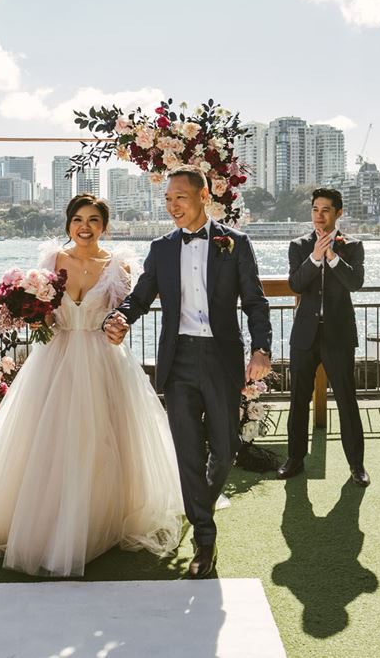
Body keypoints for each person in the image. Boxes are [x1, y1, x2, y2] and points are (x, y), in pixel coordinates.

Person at [0, 195, 184, 577]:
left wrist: (118, 327)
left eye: (94, 220)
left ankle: (98, 519)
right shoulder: (51, 262)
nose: (85, 227)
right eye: (78, 219)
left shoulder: (117, 266)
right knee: (50, 440)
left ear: (104, 226)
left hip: (103, 360)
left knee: (105, 439)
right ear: (68, 224)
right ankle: (48, 517)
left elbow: (126, 315)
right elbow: (33, 312)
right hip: (55, 360)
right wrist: (30, 314)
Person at [104, 166, 272, 579]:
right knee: (188, 451)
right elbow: (141, 297)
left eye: (179, 197)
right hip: (177, 359)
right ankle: (204, 537)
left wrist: (262, 348)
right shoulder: (161, 248)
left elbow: (254, 300)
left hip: (221, 358)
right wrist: (121, 317)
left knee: (227, 445)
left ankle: (198, 506)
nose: (172, 206)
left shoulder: (236, 243)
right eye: (167, 199)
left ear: (204, 197)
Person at [278, 187, 368, 485]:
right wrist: (315, 257)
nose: (319, 215)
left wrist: (331, 256)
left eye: (326, 210)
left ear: (338, 212)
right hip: (304, 334)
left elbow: (355, 282)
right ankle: (295, 458)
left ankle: (357, 465)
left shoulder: (352, 246)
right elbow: (296, 284)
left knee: (346, 400)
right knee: (298, 399)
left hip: (339, 335)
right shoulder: (299, 245)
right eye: (315, 209)